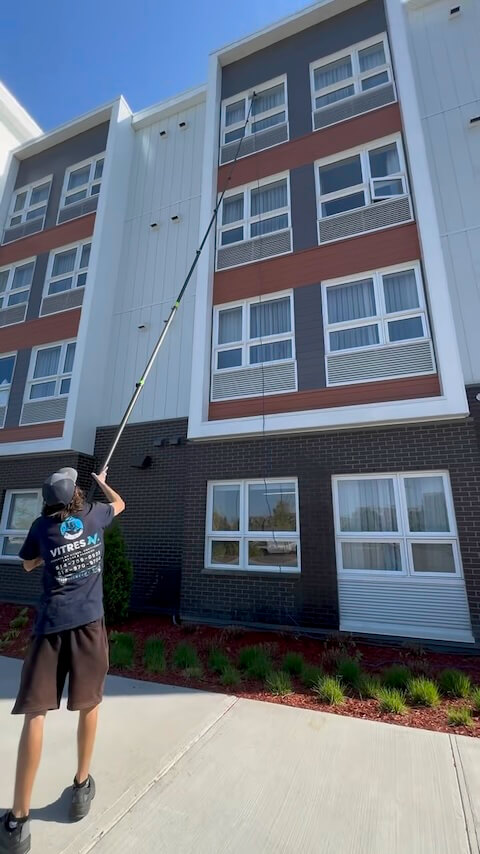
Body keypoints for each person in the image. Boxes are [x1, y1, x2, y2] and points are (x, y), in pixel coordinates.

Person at [0, 467, 125, 854]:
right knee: (89, 705)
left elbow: (25, 563)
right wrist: (101, 478)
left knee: (36, 715)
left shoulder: (41, 528)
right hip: (89, 625)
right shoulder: (93, 515)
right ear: (75, 495)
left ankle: (17, 822)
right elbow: (119, 503)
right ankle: (81, 787)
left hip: (50, 627)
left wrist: (42, 560)